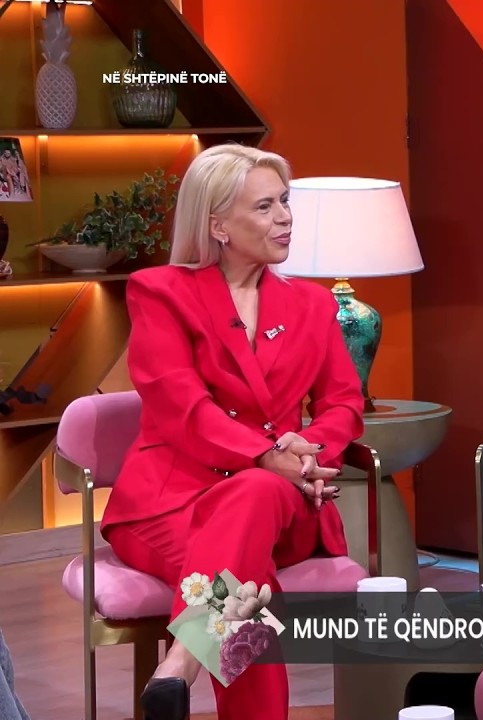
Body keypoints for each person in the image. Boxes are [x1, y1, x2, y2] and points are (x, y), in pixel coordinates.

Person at [99, 144, 365, 720]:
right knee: (246, 582)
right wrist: (268, 455)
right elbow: (183, 408)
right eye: (265, 207)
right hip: (171, 501)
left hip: (284, 500)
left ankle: (181, 663)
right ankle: (195, 669)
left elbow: (343, 401)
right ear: (217, 224)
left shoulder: (313, 305)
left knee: (257, 495)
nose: (285, 217)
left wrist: (307, 455)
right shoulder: (159, 292)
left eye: (285, 202)